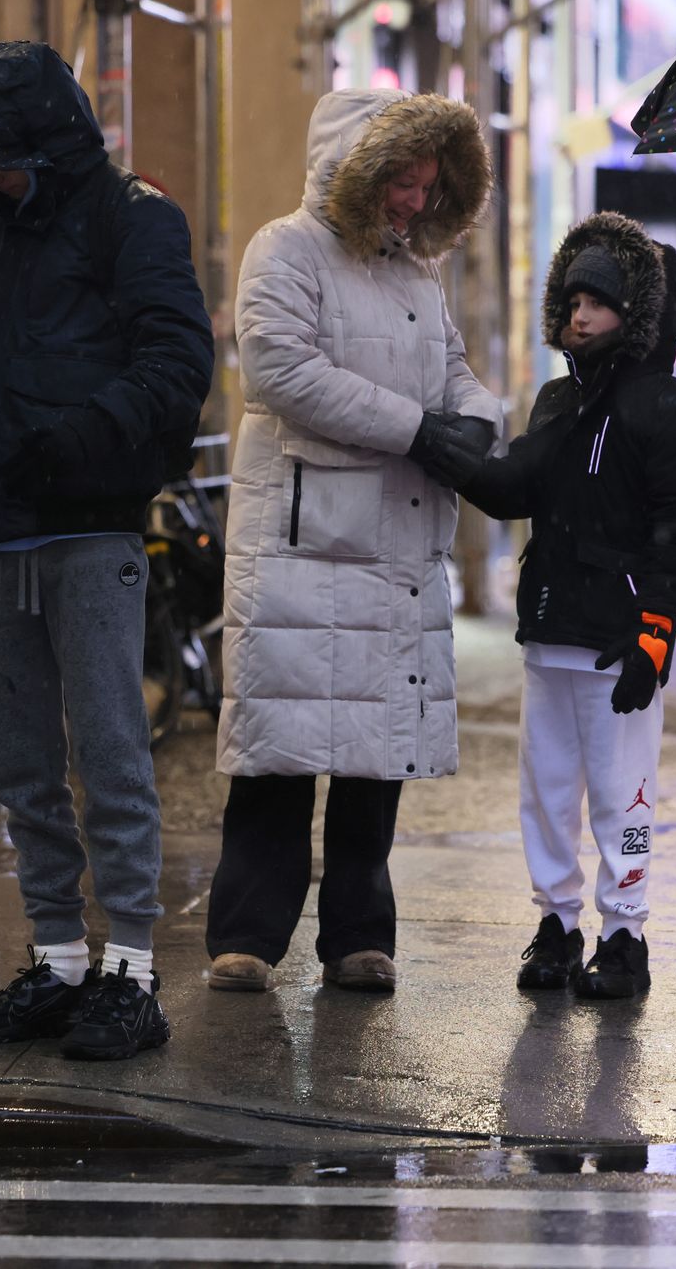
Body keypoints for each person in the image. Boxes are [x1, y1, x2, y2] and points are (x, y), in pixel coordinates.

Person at [0, 41, 213, 1061]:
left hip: (90, 532)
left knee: (111, 756)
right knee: (23, 766)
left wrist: (82, 439)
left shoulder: (135, 216)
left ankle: (129, 966)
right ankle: (59, 957)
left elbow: (176, 364)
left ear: (42, 139)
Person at [202, 88, 501, 995]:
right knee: (279, 744)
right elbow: (282, 371)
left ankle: (361, 937)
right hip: (302, 539)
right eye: (401, 183)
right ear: (354, 172)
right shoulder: (283, 249)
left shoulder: (417, 273)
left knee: (378, 750)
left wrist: (481, 421)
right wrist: (420, 431)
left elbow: (453, 370)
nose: (414, 202)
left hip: (397, 540)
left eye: (427, 185)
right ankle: (248, 934)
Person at [458, 213, 676, 999]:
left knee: (622, 794)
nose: (579, 313)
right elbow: (515, 488)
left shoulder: (670, 411)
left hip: (617, 644)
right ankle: (556, 925)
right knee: (544, 792)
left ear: (633, 314)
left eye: (599, 302)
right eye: (572, 298)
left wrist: (654, 635)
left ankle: (625, 933)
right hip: (551, 633)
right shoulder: (557, 402)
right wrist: (441, 446)